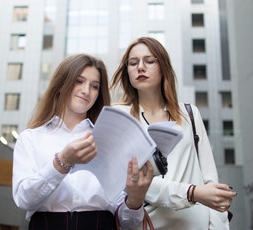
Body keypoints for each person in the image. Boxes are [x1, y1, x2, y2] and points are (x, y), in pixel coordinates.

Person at [12, 53, 154, 230]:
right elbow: (23, 199)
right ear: (61, 83)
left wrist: (135, 200)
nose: (86, 91)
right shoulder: (31, 138)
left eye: (94, 86)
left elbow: (128, 222)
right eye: (79, 81)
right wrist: (61, 162)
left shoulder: (110, 141)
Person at [110, 37, 237, 230]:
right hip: (148, 224)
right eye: (133, 63)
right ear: (127, 71)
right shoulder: (120, 116)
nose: (140, 67)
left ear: (163, 67)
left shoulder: (189, 113)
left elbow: (211, 182)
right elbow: (133, 183)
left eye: (149, 61)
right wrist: (192, 193)